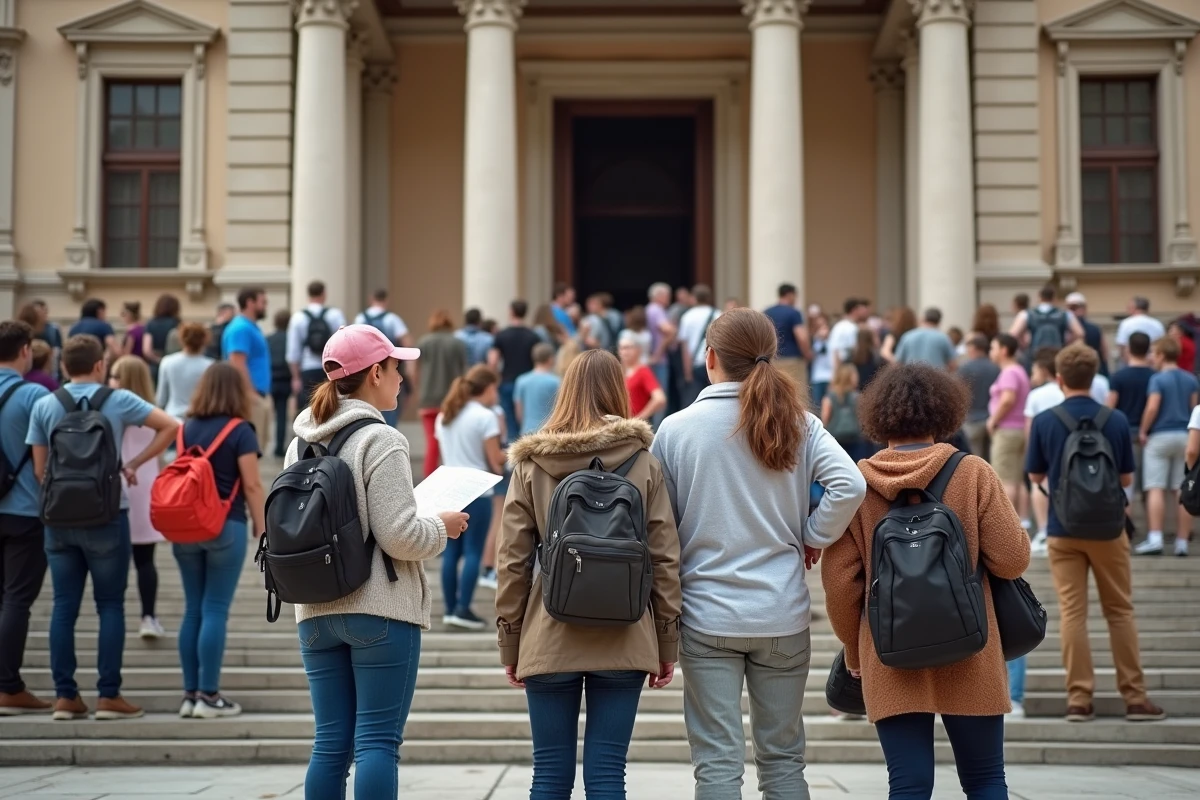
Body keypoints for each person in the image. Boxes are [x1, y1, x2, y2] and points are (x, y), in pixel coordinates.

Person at [652, 308, 865, 798]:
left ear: (710, 358)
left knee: (717, 764)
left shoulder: (677, 429)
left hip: (706, 614)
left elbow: (659, 525)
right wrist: (813, 534)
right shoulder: (800, 422)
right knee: (784, 761)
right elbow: (850, 484)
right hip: (781, 613)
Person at [823, 362, 1030, 798]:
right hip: (971, 646)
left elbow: (841, 585)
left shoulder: (856, 483)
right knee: (986, 779)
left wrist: (854, 651)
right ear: (944, 413)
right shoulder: (972, 472)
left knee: (909, 783)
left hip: (887, 651)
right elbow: (1012, 561)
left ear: (879, 416)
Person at [286, 324, 464, 800]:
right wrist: (442, 528)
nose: (404, 378)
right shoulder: (381, 439)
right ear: (375, 373)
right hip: (379, 608)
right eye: (397, 368)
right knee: (377, 744)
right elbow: (401, 536)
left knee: (329, 746)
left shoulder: (300, 440)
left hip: (314, 611)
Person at [498, 349, 681, 800]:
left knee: (549, 775)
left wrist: (510, 639)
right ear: (618, 390)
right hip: (627, 632)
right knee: (606, 774)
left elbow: (513, 561)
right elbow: (664, 556)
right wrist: (666, 641)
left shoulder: (530, 464)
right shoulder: (644, 461)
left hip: (549, 632)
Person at [27, 334, 178, 721]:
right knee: (110, 604)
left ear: (63, 366)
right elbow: (170, 427)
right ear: (100, 366)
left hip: (58, 520)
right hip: (108, 514)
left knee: (63, 606)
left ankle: (65, 697)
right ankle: (108, 696)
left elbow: (40, 470)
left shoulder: (45, 404)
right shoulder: (118, 400)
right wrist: (131, 465)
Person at [1026, 342, 1166, 723]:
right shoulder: (1115, 420)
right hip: (1108, 529)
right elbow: (1124, 477)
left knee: (1073, 613)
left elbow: (1035, 476)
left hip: (1062, 527)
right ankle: (1135, 699)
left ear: (1059, 379)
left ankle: (1079, 700)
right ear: (1095, 378)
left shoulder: (1045, 420)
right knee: (1119, 611)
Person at [173, 363, 265, 719]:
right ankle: (209, 697)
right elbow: (253, 484)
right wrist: (261, 525)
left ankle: (190, 695)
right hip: (225, 526)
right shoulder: (240, 430)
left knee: (193, 608)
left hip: (186, 528)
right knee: (214, 610)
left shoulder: (184, 429)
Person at [0, 321, 52, 716]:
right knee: (16, 599)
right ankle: (8, 685)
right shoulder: (33, 394)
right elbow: (46, 458)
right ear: (24, 351)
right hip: (23, 511)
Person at [435, 365, 506, 630]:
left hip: (450, 489)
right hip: (477, 489)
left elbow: (442, 457)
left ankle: (451, 608)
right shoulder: (485, 417)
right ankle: (464, 607)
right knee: (473, 550)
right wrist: (514, 453)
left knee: (451, 551)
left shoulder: (445, 415)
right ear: (487, 388)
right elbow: (496, 460)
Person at [108, 356, 167, 640]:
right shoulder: (154, 415)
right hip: (145, 488)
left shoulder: (110, 411)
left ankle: (114, 614)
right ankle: (148, 616)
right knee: (146, 560)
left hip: (114, 487)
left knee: (117, 559)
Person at [1135, 336, 1199, 556]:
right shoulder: (1191, 379)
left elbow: (1152, 408)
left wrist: (1143, 430)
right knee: (1182, 489)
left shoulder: (1157, 379)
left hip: (1160, 436)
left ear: (1161, 354)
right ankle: (1182, 541)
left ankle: (1155, 538)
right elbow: (1193, 409)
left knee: (1155, 487)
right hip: (1184, 435)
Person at [1107, 332, 1155, 534]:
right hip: (1150, 434)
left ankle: (1126, 530)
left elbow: (1110, 407)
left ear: (1128, 349)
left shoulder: (1118, 376)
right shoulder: (1155, 375)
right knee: (1151, 485)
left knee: (1127, 484)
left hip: (1124, 434)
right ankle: (1154, 532)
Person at [413, 309, 468, 478]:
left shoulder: (424, 342)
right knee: (452, 444)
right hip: (452, 401)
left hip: (428, 399)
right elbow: (464, 372)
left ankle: (428, 482)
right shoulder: (457, 343)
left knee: (432, 443)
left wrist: (418, 390)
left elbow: (414, 370)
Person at [1025, 348, 1067, 555]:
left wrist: (1029, 449)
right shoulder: (1063, 391)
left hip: (1042, 445)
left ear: (1042, 369)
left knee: (1039, 484)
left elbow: (1029, 427)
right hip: (1066, 446)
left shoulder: (1036, 395)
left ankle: (1043, 530)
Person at [223, 287, 273, 454]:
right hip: (250, 398)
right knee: (250, 451)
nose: (265, 306)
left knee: (257, 447)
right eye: (263, 302)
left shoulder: (249, 327)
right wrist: (251, 395)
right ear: (250, 303)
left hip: (256, 396)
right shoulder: (241, 328)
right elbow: (237, 363)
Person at [356, 289, 414, 428]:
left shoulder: (361, 318)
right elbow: (407, 343)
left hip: (366, 368)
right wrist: (410, 371)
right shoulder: (392, 319)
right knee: (390, 403)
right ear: (386, 300)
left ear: (371, 299)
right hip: (387, 368)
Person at [987, 333, 1031, 512]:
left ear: (1003, 350)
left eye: (993, 347)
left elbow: (1007, 399)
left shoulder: (1009, 372)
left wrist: (993, 420)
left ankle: (1008, 523)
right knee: (1018, 479)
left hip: (1007, 430)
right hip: (1018, 429)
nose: (991, 352)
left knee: (1006, 479)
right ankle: (1023, 521)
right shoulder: (1019, 370)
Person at [287, 281, 347, 407]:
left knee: (308, 409)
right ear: (324, 294)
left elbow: (293, 351)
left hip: (307, 368)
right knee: (332, 407)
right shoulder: (335, 314)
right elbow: (344, 343)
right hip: (331, 368)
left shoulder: (298, 317)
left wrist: (295, 377)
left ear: (308, 295)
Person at [488, 300, 543, 437]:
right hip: (528, 381)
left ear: (511, 311)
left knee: (510, 423)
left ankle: (513, 452)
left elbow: (493, 361)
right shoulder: (533, 336)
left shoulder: (501, 335)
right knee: (527, 419)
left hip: (508, 381)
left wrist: (495, 379)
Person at [156, 323, 214, 421]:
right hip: (201, 418)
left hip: (173, 417)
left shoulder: (167, 362)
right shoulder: (211, 366)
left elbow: (161, 398)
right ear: (204, 340)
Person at [958, 333, 1001, 460]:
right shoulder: (996, 368)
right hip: (992, 418)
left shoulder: (965, 368)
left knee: (973, 460)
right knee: (990, 460)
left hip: (972, 419)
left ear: (973, 348)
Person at [764, 282, 812, 391]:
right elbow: (801, 337)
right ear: (790, 295)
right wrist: (808, 354)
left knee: (775, 392)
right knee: (796, 392)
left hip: (772, 359)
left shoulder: (766, 312)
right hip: (792, 360)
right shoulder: (793, 313)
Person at [677, 284, 720, 405]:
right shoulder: (718, 314)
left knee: (694, 401)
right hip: (714, 363)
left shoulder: (687, 317)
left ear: (693, 298)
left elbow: (684, 347)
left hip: (695, 364)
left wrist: (687, 371)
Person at [513, 343, 560, 437]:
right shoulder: (556, 381)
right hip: (549, 432)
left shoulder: (521, 380)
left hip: (527, 431)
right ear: (550, 359)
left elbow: (519, 411)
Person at [619, 331, 666, 421]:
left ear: (638, 350)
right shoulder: (619, 372)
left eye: (628, 348)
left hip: (634, 427)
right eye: (621, 348)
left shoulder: (643, 371)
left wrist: (639, 418)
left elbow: (659, 398)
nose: (624, 352)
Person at [822, 362, 863, 460]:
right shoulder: (857, 397)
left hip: (835, 438)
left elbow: (825, 417)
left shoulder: (829, 397)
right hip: (854, 438)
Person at [267, 310, 292, 458]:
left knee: (275, 413)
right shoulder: (290, 339)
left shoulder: (269, 339)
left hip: (272, 379)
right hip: (286, 379)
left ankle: (273, 443)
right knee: (283, 413)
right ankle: (280, 446)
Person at [1065, 292, 1109, 378]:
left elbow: (1104, 351)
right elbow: (1104, 352)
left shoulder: (1067, 330)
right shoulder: (1095, 328)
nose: (1076, 311)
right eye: (1073, 308)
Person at [645, 283, 676, 405]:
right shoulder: (656, 310)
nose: (669, 298)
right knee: (660, 397)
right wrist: (658, 353)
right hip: (658, 360)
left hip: (654, 358)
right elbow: (669, 330)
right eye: (667, 295)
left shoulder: (650, 309)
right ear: (658, 296)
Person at [142, 294, 181, 383]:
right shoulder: (177, 324)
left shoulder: (151, 323)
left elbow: (147, 350)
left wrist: (158, 360)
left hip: (155, 366)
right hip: (174, 364)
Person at [23, 300, 64, 382]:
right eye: (42, 313)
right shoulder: (23, 331)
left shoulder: (52, 329)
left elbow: (57, 353)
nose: (45, 316)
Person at [1116, 296, 1165, 363]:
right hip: (1152, 362)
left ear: (1134, 308)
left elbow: (1121, 345)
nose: (1127, 309)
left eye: (1129, 307)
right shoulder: (1157, 324)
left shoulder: (1126, 323)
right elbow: (1163, 345)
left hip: (1131, 361)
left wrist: (1127, 362)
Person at [830, 297, 870, 368]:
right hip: (845, 367)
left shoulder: (839, 325)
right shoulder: (851, 327)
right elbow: (852, 349)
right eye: (860, 309)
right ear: (854, 310)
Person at [809, 312, 833, 407]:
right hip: (817, 377)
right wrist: (817, 338)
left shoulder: (833, 339)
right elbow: (811, 355)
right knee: (817, 404)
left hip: (831, 376)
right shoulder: (812, 340)